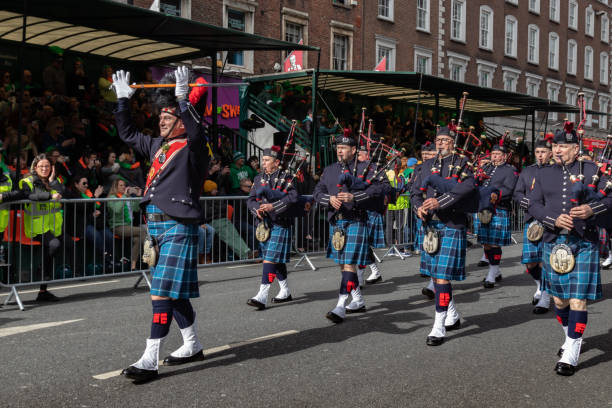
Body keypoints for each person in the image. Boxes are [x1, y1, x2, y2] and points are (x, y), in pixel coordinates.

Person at [112, 67, 210, 382]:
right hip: (156, 228)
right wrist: (123, 101)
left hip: (179, 226)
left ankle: (149, 359)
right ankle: (192, 344)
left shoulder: (195, 147)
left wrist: (183, 99)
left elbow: (195, 130)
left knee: (160, 293)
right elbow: (127, 134)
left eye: (168, 118)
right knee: (174, 293)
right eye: (160, 119)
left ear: (182, 120)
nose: (162, 122)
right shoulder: (157, 146)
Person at [529, 124, 612, 376]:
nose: (557, 150)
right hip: (554, 241)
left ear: (576, 149)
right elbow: (533, 204)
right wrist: (551, 219)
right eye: (555, 146)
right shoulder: (544, 174)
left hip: (583, 241)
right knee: (559, 300)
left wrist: (592, 209)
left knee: (578, 299)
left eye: (563, 146)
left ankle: (573, 349)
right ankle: (569, 336)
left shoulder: (593, 170)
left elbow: (610, 199)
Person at [410, 127, 475, 346]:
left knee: (442, 276)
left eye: (445, 140)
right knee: (438, 276)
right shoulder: (425, 166)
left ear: (453, 142)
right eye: (438, 140)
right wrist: (418, 207)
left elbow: (467, 188)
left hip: (452, 224)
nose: (441, 143)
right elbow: (415, 192)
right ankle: (453, 314)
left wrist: (440, 202)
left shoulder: (463, 163)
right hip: (430, 227)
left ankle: (438, 326)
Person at [313, 134, 385, 323]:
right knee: (342, 264)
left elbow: (379, 189)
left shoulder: (366, 168)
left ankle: (340, 305)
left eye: (344, 147)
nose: (339, 150)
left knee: (348, 264)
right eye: (338, 147)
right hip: (336, 222)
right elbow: (317, 192)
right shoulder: (329, 170)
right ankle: (358, 300)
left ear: (353, 150)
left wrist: (355, 198)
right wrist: (329, 199)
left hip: (355, 220)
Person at [246, 146, 298, 309]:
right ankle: (285, 291)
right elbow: (251, 199)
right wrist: (257, 210)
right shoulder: (258, 178)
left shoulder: (287, 178)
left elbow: (293, 197)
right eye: (263, 159)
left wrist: (273, 207)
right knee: (275, 259)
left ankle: (262, 294)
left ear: (277, 162)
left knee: (269, 258)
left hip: (279, 222)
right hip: (263, 224)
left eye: (267, 160)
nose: (264, 162)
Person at [15, 154, 64, 301]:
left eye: (47, 166)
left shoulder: (53, 181)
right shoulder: (26, 181)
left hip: (51, 227)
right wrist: (50, 196)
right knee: (54, 244)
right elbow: (32, 196)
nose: (44, 169)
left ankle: (43, 290)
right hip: (36, 228)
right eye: (41, 166)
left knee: (66, 244)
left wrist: (53, 181)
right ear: (35, 167)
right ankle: (41, 274)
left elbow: (62, 193)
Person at [513, 136, 553, 314]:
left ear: (550, 153)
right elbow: (518, 193)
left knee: (545, 261)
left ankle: (545, 296)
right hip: (532, 219)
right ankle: (540, 285)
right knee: (530, 262)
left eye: (543, 152)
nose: (540, 155)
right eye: (537, 152)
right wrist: (528, 204)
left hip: (550, 220)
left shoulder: (556, 171)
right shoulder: (527, 171)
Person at [473, 144, 518, 289]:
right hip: (483, 208)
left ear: (504, 156)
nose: (495, 156)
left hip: (498, 208)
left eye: (498, 154)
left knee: (494, 243)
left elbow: (509, 189)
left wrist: (493, 196)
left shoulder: (510, 171)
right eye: (493, 154)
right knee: (485, 242)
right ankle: (496, 270)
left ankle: (492, 274)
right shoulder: (486, 168)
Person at [107, 178, 145, 271]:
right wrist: (124, 196)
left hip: (128, 226)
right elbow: (117, 210)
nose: (123, 187)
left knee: (138, 239)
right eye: (121, 185)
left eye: (124, 185)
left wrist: (137, 196)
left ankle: (133, 266)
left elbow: (136, 209)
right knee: (142, 231)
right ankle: (151, 255)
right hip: (118, 226)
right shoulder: (112, 197)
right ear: (115, 187)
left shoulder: (127, 197)